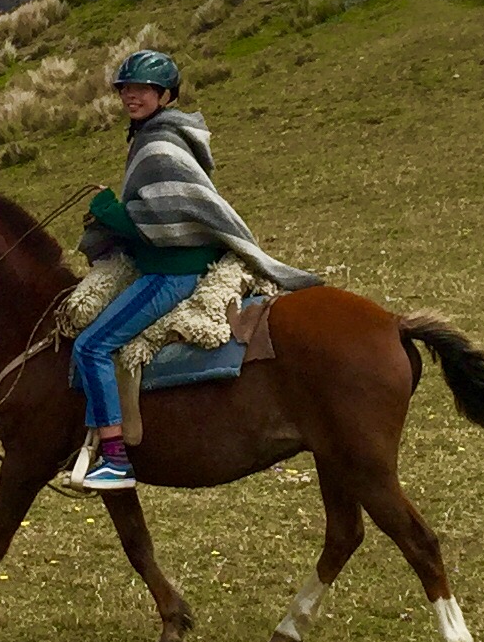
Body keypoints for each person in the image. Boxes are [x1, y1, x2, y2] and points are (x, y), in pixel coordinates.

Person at [70, 49, 319, 488]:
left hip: (172, 273)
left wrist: (107, 210)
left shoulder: (159, 144)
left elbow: (160, 227)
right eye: (126, 88)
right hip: (173, 265)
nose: (132, 96)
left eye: (143, 89)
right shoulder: (157, 136)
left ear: (164, 94)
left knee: (91, 346)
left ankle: (114, 457)